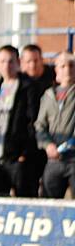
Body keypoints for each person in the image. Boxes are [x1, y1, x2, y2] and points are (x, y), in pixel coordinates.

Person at [0, 45, 43, 197]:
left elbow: (33, 121)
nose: (6, 65)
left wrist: (25, 153)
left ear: (18, 63)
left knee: (25, 199)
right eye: (2, 61)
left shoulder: (29, 87)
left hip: (19, 159)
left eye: (10, 61)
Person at [35, 51, 75, 198]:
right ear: (56, 69)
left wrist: (66, 146)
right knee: (48, 204)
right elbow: (39, 125)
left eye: (71, 65)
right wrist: (47, 145)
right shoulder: (48, 95)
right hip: (53, 160)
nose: (68, 69)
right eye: (63, 66)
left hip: (73, 159)